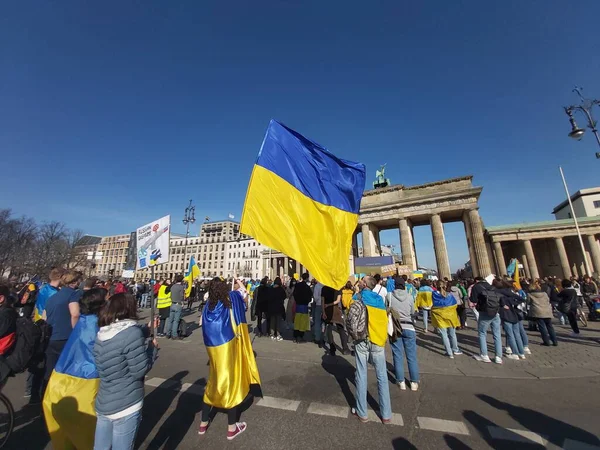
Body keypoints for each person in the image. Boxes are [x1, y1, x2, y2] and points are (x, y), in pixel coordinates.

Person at [198, 278, 261, 440]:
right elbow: (245, 294)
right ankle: (232, 428)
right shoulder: (230, 297)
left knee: (214, 380)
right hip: (227, 343)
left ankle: (203, 424)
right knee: (230, 382)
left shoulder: (208, 305)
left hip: (211, 347)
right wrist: (239, 282)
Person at [43, 288, 106, 450]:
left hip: (58, 388)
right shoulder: (97, 328)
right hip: (83, 390)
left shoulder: (83, 322)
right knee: (87, 438)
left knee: (64, 440)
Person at [93, 293, 158, 450]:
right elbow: (140, 370)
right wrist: (152, 350)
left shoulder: (103, 332)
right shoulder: (131, 334)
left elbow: (125, 338)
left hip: (104, 400)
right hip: (126, 402)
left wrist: (146, 329)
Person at [350, 276, 392, 424]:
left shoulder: (358, 297)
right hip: (377, 340)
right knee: (382, 376)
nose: (360, 280)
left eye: (362, 280)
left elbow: (351, 316)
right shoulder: (379, 300)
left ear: (365, 284)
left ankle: (362, 413)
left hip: (362, 339)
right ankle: (386, 414)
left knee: (361, 373)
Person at [44, 270, 83, 382]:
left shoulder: (53, 297)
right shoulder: (73, 294)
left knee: (50, 369)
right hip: (65, 336)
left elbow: (45, 316)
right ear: (75, 282)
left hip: (51, 335)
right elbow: (75, 314)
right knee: (65, 369)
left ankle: (45, 394)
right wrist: (76, 333)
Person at [386, 276, 419, 391]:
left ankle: (401, 381)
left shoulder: (389, 295)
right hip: (409, 327)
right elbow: (413, 312)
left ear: (394, 285)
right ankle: (414, 382)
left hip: (395, 328)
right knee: (412, 357)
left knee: (397, 355)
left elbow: (386, 310)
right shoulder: (410, 297)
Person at [471, 275, 503, 364]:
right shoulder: (493, 287)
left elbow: (473, 299)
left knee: (482, 333)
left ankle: (484, 355)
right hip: (496, 313)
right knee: (497, 334)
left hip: (484, 312)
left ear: (476, 281)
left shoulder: (476, 287)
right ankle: (498, 357)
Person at [495, 280, 527, 360]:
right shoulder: (510, 293)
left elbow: (498, 303)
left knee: (510, 335)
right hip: (514, 315)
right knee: (517, 334)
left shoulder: (499, 293)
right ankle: (521, 353)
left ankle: (515, 353)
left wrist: (503, 306)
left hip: (506, 315)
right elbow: (522, 299)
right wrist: (514, 304)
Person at [432, 281, 463, 359]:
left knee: (444, 335)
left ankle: (449, 353)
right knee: (452, 334)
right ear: (445, 286)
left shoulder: (434, 294)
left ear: (436, 286)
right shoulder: (449, 295)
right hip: (450, 317)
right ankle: (455, 349)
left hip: (440, 317)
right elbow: (455, 304)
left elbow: (433, 303)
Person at [527, 280, 557, 346]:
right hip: (547, 310)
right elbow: (548, 300)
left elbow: (528, 303)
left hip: (538, 311)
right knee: (550, 326)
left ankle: (546, 342)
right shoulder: (544, 293)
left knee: (542, 327)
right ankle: (555, 341)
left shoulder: (530, 294)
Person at [322, 285, 350, 355]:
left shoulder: (324, 288)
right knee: (341, 328)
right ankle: (345, 348)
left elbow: (323, 301)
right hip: (336, 310)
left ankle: (332, 347)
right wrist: (330, 304)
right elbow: (337, 301)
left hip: (327, 310)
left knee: (329, 328)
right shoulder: (337, 288)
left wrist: (323, 312)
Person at [292, 273, 312, 343]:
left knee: (297, 322)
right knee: (303, 323)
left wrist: (297, 300)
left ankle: (295, 336)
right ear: (307, 278)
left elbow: (294, 294)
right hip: (304, 306)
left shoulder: (297, 285)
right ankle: (300, 337)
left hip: (298, 305)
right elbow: (310, 297)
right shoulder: (307, 287)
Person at [165, 275, 185, 340]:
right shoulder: (181, 287)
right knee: (176, 321)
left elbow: (171, 295)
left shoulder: (173, 286)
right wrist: (182, 303)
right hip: (178, 304)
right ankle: (174, 335)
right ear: (181, 280)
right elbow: (181, 296)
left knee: (170, 320)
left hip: (172, 303)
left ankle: (168, 334)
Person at [312, 281, 324, 346]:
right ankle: (325, 338)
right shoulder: (327, 285)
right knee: (325, 322)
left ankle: (317, 338)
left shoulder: (317, 286)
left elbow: (315, 297)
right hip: (326, 305)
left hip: (319, 305)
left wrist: (318, 300)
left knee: (317, 321)